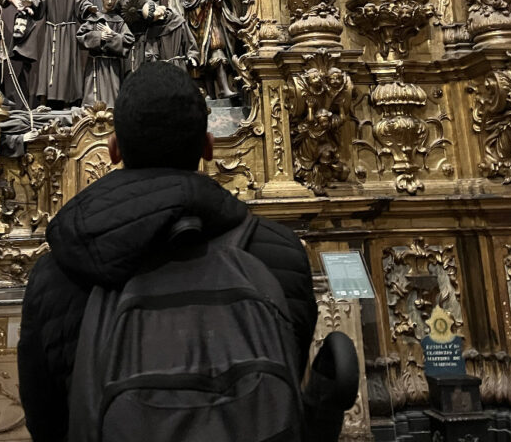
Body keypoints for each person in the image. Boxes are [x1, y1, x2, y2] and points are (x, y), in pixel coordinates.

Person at [18, 62, 317, 442]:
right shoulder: (279, 256)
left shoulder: (57, 275)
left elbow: (48, 421)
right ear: (208, 147)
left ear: (113, 149)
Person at [16, 0, 96, 108]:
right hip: (50, 29)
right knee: (47, 66)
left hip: (68, 31)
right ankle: (44, 100)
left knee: (68, 65)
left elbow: (81, 0)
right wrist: (32, 2)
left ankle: (70, 100)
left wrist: (88, 8)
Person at [76, 0, 134, 107]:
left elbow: (129, 40)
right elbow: (80, 37)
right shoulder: (94, 18)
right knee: (92, 101)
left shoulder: (119, 20)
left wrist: (112, 34)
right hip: (95, 65)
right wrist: (98, 37)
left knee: (112, 99)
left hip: (112, 67)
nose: (110, 1)